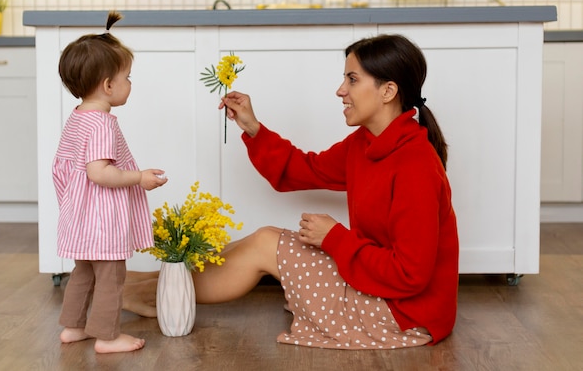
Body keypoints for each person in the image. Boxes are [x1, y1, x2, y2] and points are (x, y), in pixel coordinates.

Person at [123, 34, 459, 350]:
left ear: (388, 91)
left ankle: (151, 295)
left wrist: (334, 238)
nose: (340, 90)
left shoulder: (415, 165)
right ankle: (143, 285)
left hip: (404, 316)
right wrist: (253, 127)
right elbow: (305, 169)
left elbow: (410, 275)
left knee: (267, 244)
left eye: (352, 80)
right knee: (260, 239)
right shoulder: (365, 144)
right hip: (380, 291)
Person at [54, 11, 168, 353]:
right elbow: (99, 172)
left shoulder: (77, 119)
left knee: (83, 273)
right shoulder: (102, 124)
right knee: (110, 276)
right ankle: (107, 336)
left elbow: (62, 168)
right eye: (127, 77)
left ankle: (73, 328)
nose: (130, 84)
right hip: (102, 223)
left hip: (81, 219)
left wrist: (72, 208)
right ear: (108, 85)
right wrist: (139, 177)